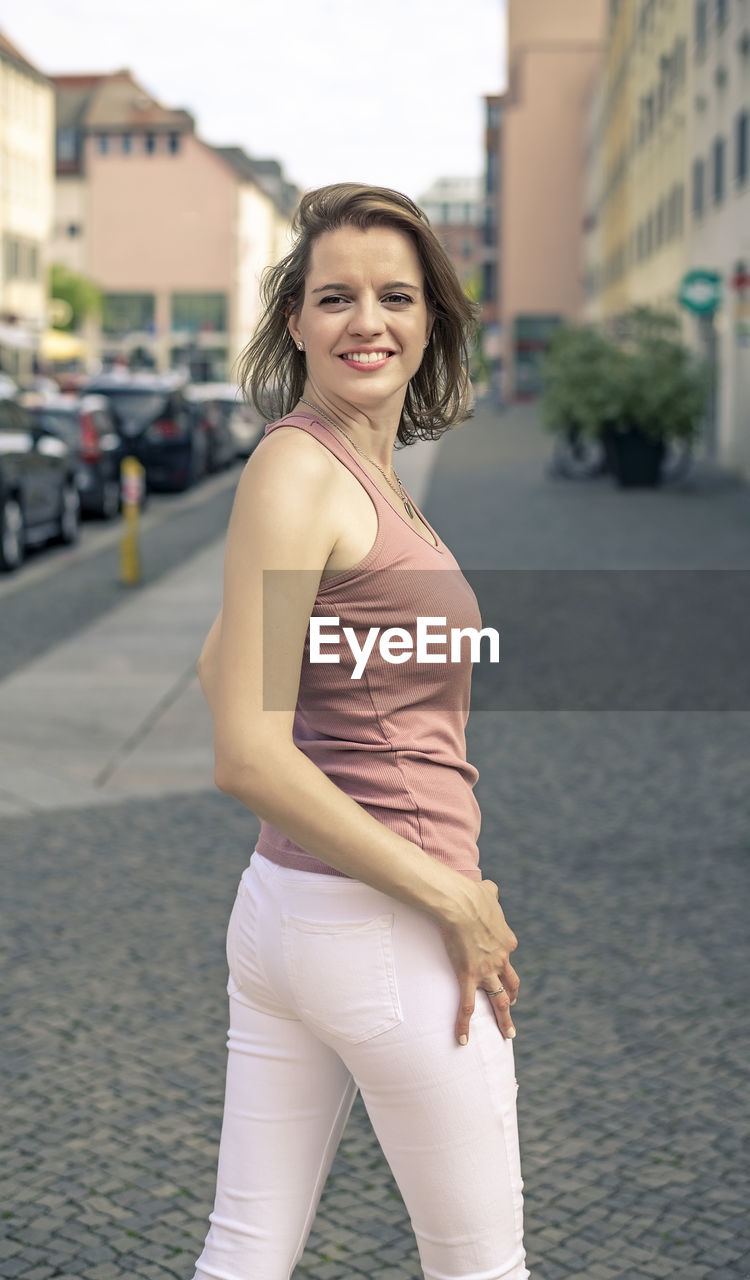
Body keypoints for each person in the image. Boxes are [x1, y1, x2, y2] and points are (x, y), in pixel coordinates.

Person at [191, 182, 529, 1280]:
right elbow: (244, 746)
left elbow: (219, 662)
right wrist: (452, 895)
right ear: (295, 320)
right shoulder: (302, 464)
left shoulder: (352, 472)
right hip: (385, 924)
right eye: (335, 296)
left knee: (244, 1252)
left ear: (433, 315)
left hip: (291, 915)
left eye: (395, 295)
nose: (366, 321)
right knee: (482, 1267)